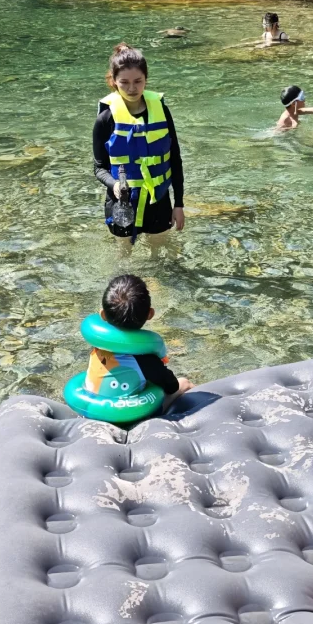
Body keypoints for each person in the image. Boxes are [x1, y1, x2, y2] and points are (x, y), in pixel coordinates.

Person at [93, 45, 184, 247]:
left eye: (138, 82)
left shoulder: (162, 111)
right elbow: (99, 168)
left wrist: (178, 204)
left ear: (146, 80)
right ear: (114, 82)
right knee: (124, 258)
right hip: (122, 202)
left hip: (158, 201)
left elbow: (175, 159)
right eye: (124, 82)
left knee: (159, 255)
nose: (132, 88)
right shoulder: (105, 119)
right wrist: (115, 185)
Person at [87, 274, 193, 412]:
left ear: (103, 315)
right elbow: (172, 387)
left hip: (94, 409)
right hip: (130, 416)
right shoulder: (147, 360)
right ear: (150, 314)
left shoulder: (98, 346)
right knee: (185, 383)